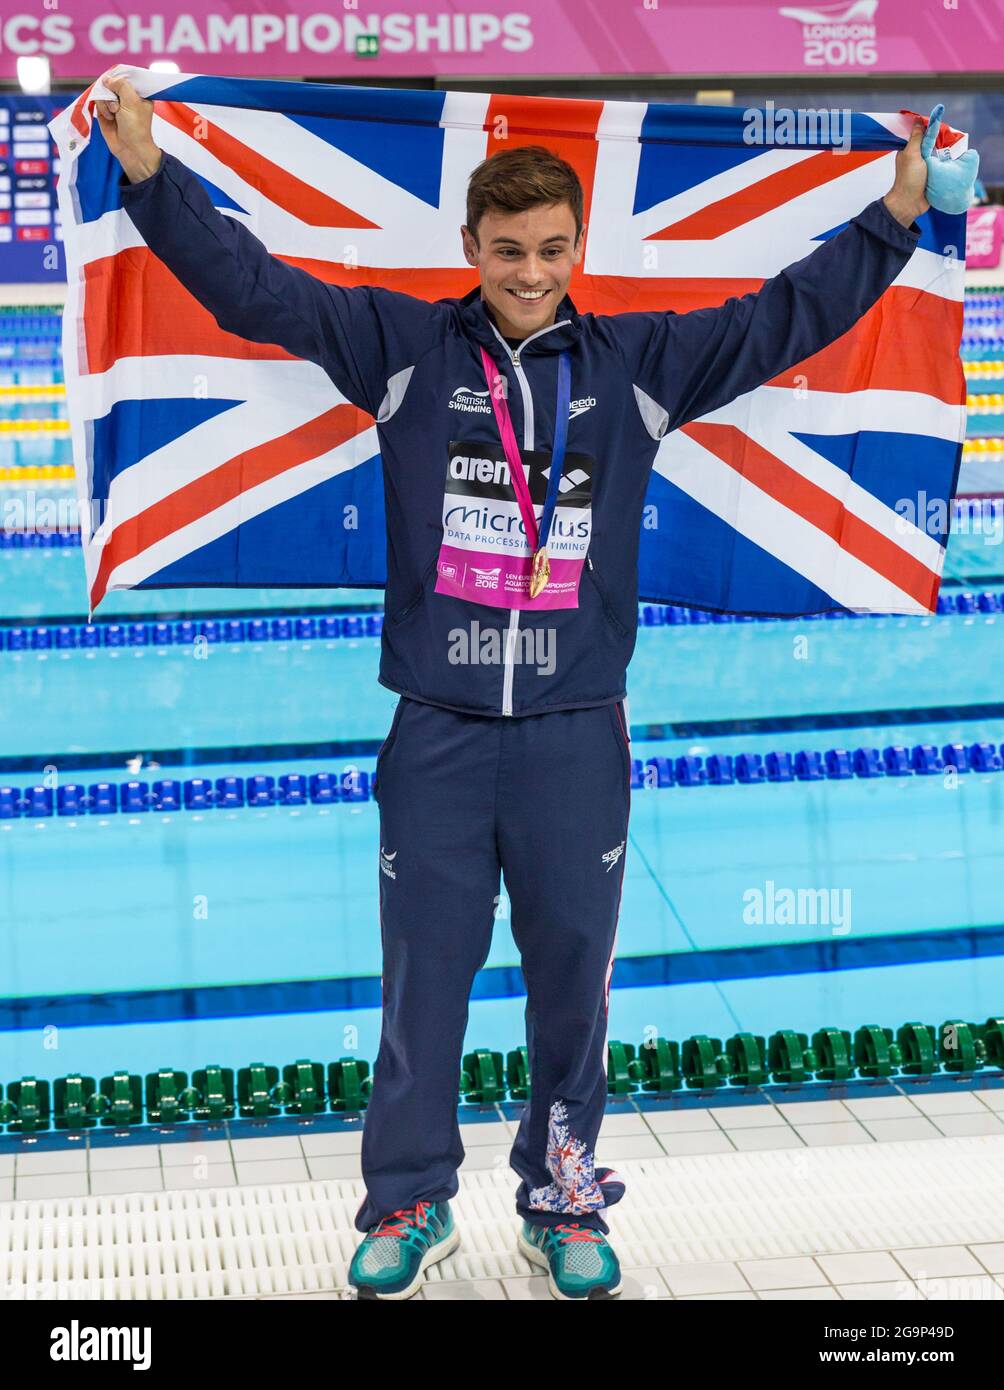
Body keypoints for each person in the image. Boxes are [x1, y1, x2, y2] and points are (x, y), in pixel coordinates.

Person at [95, 74, 974, 1300]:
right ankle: (409, 1200)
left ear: (578, 249)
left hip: (573, 735)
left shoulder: (637, 367)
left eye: (550, 250)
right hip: (439, 733)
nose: (527, 271)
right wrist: (148, 173)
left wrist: (891, 216)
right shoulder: (402, 350)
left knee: (572, 991)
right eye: (506, 250)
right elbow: (255, 288)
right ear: (469, 246)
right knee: (421, 993)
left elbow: (784, 317)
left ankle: (562, 1200)